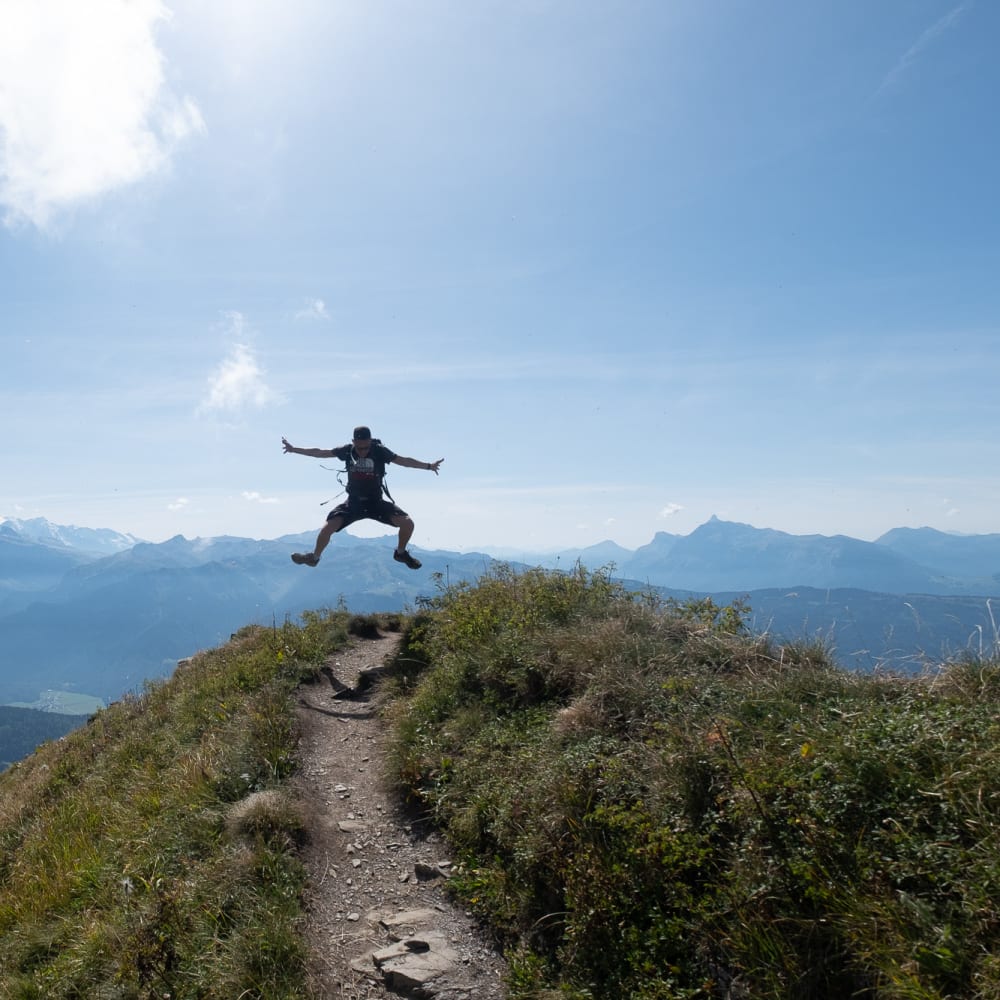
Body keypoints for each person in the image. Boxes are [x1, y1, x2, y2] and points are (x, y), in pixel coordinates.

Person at [282, 425, 443, 570]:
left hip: (376, 503)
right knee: (326, 529)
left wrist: (428, 466)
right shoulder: (347, 450)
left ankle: (400, 553)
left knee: (408, 524)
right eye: (359, 448)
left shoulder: (380, 450)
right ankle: (314, 558)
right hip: (353, 503)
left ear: (371, 441)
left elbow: (403, 461)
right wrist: (294, 449)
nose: (363, 451)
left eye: (366, 447)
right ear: (353, 442)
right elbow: (320, 452)